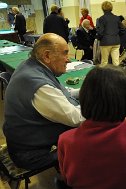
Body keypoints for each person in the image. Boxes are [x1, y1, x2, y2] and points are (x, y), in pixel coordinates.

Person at [3, 33, 84, 170]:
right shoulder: (39, 85)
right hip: (31, 154)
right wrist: (104, 109)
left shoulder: (30, 66)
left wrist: (86, 91)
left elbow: (60, 92)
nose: (68, 60)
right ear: (47, 56)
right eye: (65, 54)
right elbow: (76, 118)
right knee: (90, 141)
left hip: (23, 142)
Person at [97, 1, 124, 66]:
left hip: (105, 42)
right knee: (116, 62)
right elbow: (122, 29)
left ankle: (104, 76)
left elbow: (100, 32)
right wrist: (116, 35)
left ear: (102, 8)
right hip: (116, 42)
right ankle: (117, 75)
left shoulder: (101, 19)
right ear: (111, 8)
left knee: (104, 62)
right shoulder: (117, 18)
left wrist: (98, 38)